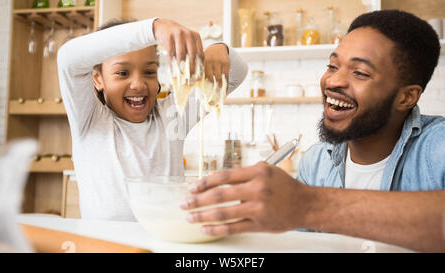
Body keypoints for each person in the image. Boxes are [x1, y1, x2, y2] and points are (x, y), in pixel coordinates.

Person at [180, 10, 445, 252]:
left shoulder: (437, 147)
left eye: (360, 73)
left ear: (407, 97)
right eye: (332, 66)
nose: (334, 81)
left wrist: (308, 204)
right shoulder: (317, 162)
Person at [57, 18, 248, 221]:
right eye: (122, 73)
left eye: (149, 72)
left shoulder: (173, 116)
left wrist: (220, 49)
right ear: (97, 79)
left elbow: (237, 72)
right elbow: (68, 58)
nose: (138, 84)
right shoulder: (90, 121)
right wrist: (153, 28)